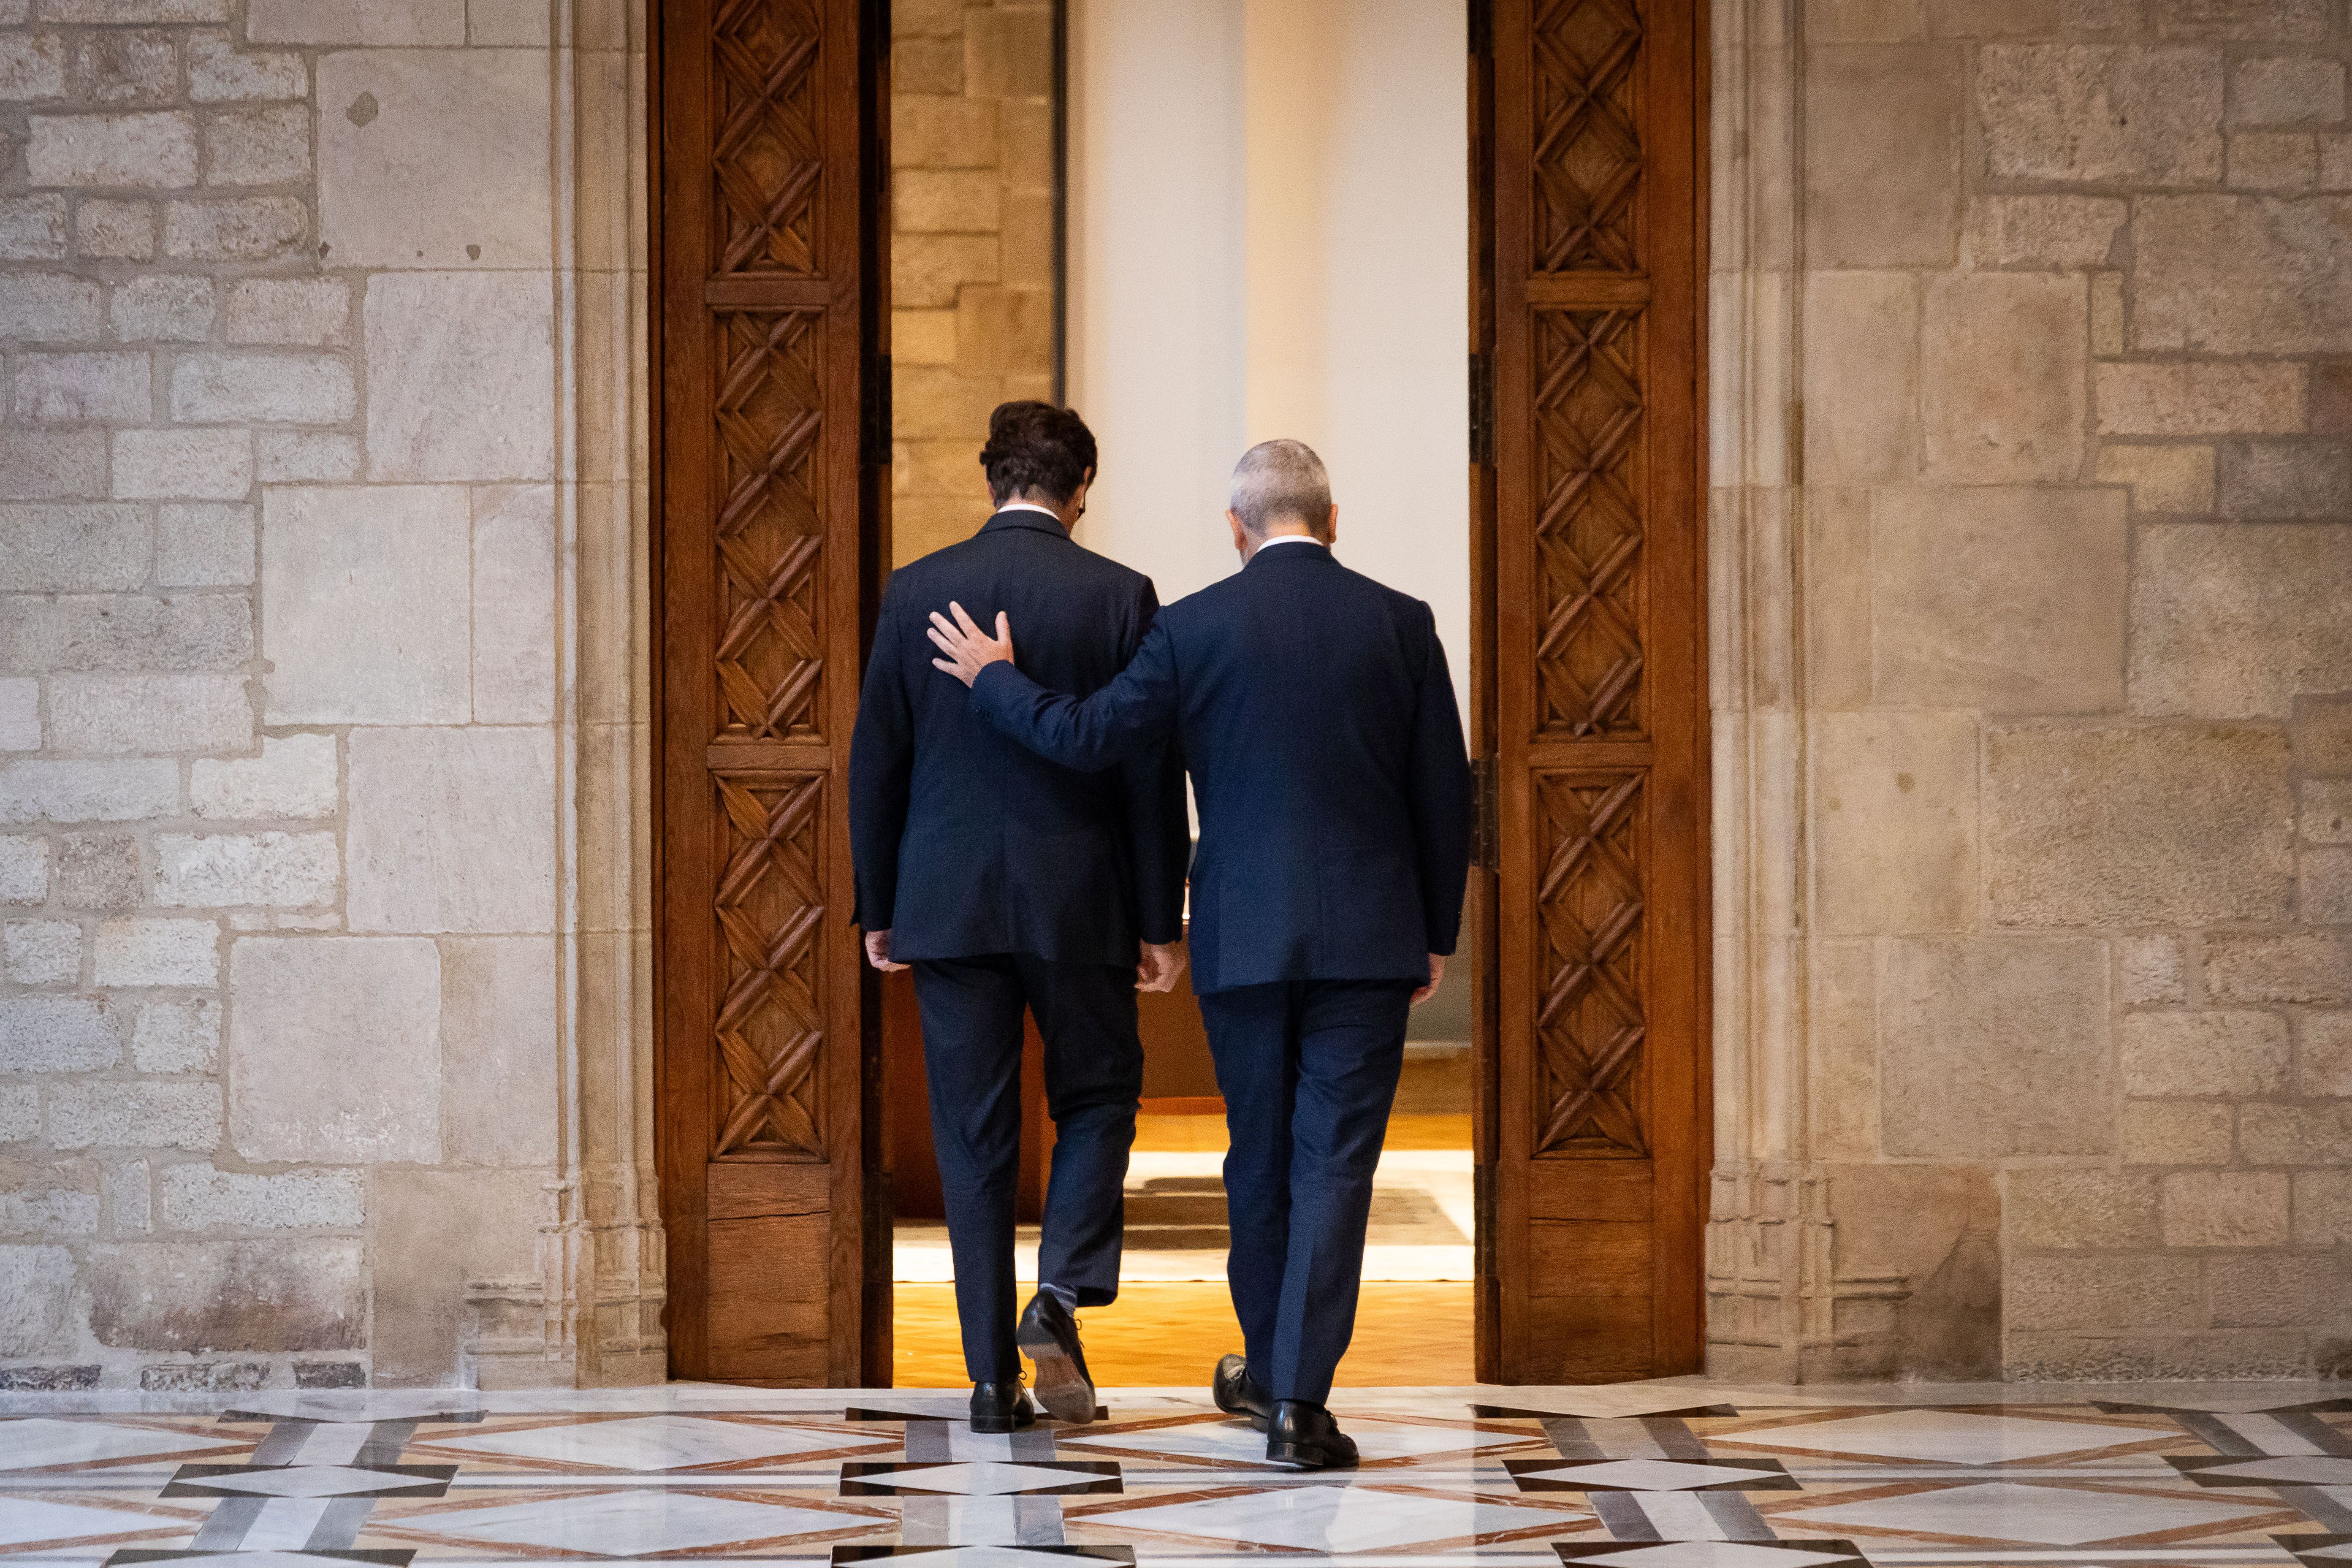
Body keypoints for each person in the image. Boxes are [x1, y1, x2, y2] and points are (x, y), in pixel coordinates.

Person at [925, 438, 1473, 1470]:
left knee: (1258, 1157)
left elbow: (1088, 736)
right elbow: (1444, 794)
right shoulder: (1400, 624)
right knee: (1335, 1163)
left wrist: (996, 682)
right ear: (1333, 516)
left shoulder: (1192, 627)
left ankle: (1271, 1370)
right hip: (1369, 933)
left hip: (1242, 935)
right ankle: (1295, 1402)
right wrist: (1433, 932)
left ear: (1236, 528)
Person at [849, 402, 1189, 1433]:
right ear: (1082, 485)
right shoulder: (1120, 595)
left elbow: (880, 763)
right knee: (1097, 1097)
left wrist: (880, 903)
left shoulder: (915, 592)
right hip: (1078, 901)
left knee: (973, 1137)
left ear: (990, 478)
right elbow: (1145, 769)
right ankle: (1062, 1289)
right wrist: (1156, 913)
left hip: (944, 905)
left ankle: (992, 1382)